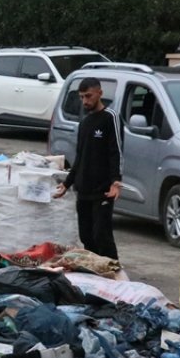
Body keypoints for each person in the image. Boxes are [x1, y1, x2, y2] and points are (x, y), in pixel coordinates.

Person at [54, 78, 122, 260]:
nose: (85, 101)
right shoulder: (85, 123)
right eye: (82, 97)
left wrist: (116, 182)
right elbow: (80, 157)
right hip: (83, 190)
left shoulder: (111, 118)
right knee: (86, 236)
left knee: (102, 235)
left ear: (100, 93)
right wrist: (67, 184)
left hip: (103, 191)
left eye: (88, 96)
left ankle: (114, 272)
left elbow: (117, 152)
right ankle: (96, 274)